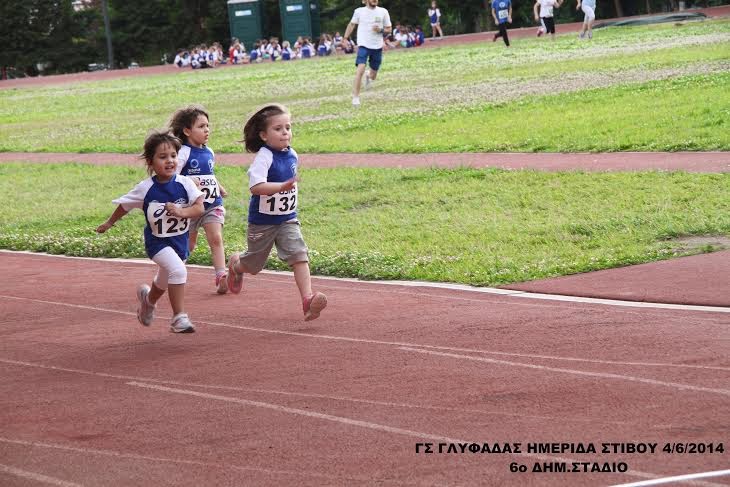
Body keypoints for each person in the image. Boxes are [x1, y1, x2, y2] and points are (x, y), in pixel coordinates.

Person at [227, 104, 328, 321]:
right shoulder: (264, 157)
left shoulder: (292, 154)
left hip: (287, 219)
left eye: (288, 127)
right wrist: (281, 187)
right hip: (262, 222)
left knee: (299, 255)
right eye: (278, 128)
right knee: (253, 266)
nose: (285, 132)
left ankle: (308, 300)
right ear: (263, 135)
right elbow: (256, 187)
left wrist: (286, 189)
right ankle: (236, 265)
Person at [96, 131, 204, 333]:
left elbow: (199, 208)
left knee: (164, 279)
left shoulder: (185, 184)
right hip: (157, 243)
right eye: (162, 157)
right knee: (178, 271)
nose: (170, 161)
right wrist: (109, 222)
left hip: (179, 242)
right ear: (150, 161)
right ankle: (179, 318)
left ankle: (148, 301)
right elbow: (125, 206)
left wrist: (181, 211)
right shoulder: (145, 189)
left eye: (173, 156)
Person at [168, 105, 229, 295]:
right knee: (189, 245)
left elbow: (209, 173)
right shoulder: (184, 152)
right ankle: (176, 273)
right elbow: (173, 175)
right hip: (191, 208)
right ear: (187, 131)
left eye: (208, 126)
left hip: (212, 204)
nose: (207, 130)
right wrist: (190, 181)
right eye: (201, 126)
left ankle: (221, 275)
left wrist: (218, 186)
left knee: (216, 238)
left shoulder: (209, 152)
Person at [343, 0, 392, 106]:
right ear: (365, 1)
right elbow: (351, 25)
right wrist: (345, 38)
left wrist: (380, 30)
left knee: (373, 75)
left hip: (377, 46)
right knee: (360, 69)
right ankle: (355, 98)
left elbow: (389, 29)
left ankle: (368, 76)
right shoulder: (359, 11)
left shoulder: (383, 11)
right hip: (363, 45)